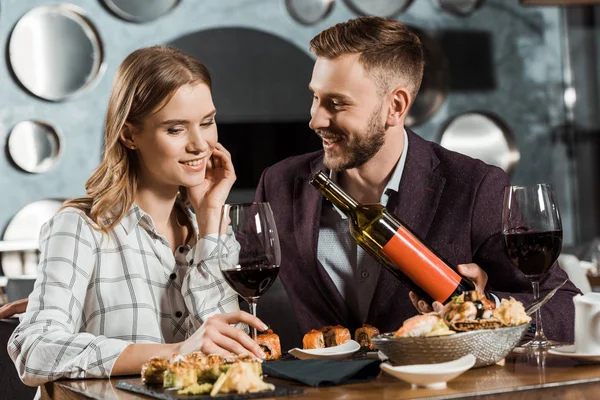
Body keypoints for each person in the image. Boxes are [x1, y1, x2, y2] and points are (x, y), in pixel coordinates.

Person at [254, 16, 580, 345]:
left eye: (337, 103)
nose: (315, 119)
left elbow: (564, 309)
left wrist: (487, 310)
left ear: (395, 106)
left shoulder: (474, 188)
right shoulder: (279, 184)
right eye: (315, 97)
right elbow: (240, 297)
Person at [8, 45, 267, 389]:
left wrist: (209, 223)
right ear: (130, 134)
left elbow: (229, 353)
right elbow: (34, 349)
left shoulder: (213, 228)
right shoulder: (79, 226)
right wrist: (175, 352)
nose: (200, 145)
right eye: (175, 129)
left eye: (207, 123)